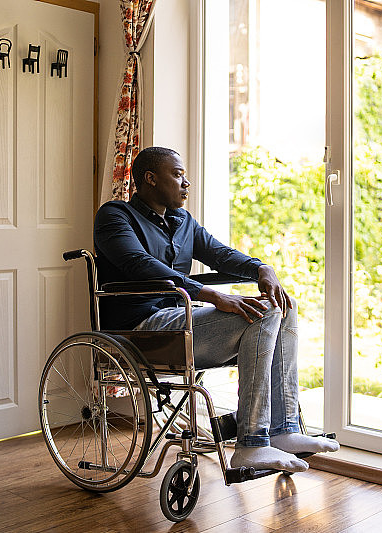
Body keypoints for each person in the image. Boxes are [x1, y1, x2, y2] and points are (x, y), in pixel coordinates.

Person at [93, 146, 339, 472]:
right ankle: (251, 443)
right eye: (178, 175)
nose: (187, 183)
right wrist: (210, 295)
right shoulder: (114, 215)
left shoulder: (182, 221)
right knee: (265, 313)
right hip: (142, 328)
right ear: (150, 179)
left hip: (183, 320)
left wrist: (260, 268)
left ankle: (283, 430)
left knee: (284, 305)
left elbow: (220, 255)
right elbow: (138, 264)